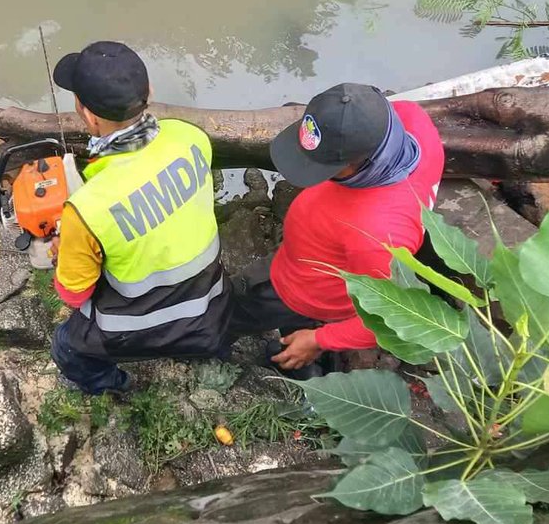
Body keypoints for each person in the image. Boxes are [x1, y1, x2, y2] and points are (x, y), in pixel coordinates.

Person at [49, 41, 231, 396]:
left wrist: (64, 249)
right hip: (212, 307)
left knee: (65, 347)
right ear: (149, 92)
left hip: (140, 331)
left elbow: (72, 295)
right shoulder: (191, 137)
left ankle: (116, 389)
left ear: (88, 116)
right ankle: (207, 350)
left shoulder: (87, 210)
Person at [230, 82, 445, 376]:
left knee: (234, 315)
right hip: (309, 257)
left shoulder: (377, 235)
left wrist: (319, 341)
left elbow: (390, 314)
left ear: (363, 163)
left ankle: (300, 367)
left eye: (324, 166)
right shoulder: (410, 119)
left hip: (304, 293)